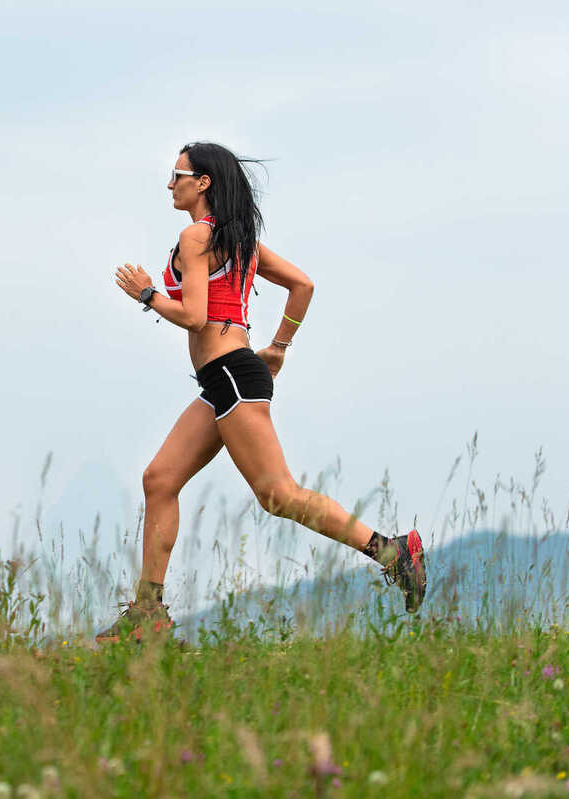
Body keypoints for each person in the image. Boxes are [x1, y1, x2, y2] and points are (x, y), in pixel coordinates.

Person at [97, 142, 426, 644]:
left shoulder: (195, 236)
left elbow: (195, 316)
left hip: (230, 374)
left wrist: (147, 294)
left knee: (277, 494)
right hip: (226, 378)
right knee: (160, 479)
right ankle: (148, 613)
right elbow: (303, 286)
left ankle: (393, 552)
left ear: (202, 182)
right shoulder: (238, 238)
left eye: (177, 174)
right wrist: (277, 348)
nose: (170, 183)